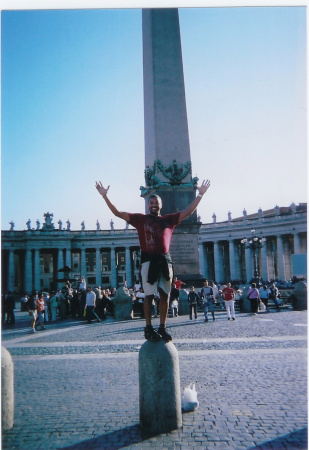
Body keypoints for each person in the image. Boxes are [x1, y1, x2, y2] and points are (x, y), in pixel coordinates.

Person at [95, 178, 210, 342]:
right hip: (148, 261)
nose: (153, 205)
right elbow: (117, 213)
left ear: (160, 205)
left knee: (165, 295)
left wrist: (200, 195)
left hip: (165, 261)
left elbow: (188, 212)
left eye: (156, 202)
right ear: (148, 205)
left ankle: (162, 327)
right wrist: (105, 196)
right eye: (151, 203)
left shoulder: (168, 220)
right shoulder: (140, 219)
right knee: (148, 296)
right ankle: (148, 328)